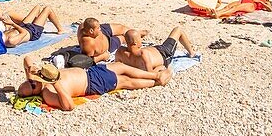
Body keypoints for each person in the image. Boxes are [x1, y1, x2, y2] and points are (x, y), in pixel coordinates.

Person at [17, 56, 169, 111]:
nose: (32, 82)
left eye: (28, 80)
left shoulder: (38, 78)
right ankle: (155, 82)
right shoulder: (48, 92)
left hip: (91, 71)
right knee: (125, 81)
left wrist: (32, 69)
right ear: (34, 93)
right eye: (31, 86)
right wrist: (56, 83)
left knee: (121, 66)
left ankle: (155, 74)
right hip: (92, 83)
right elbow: (69, 106)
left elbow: (27, 59)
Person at [0, 5, 64, 48]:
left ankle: (40, 20)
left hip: (23, 26)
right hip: (32, 32)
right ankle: (60, 29)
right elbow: (24, 33)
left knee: (37, 7)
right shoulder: (11, 41)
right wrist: (12, 24)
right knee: (47, 9)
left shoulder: (2, 35)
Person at [114, 27, 195, 71]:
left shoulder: (120, 51)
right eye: (140, 38)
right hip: (164, 53)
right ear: (135, 43)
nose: (141, 39)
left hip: (156, 50)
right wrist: (159, 68)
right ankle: (192, 53)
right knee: (178, 30)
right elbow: (151, 74)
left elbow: (117, 67)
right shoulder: (142, 54)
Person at [78, 17, 144, 63]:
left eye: (99, 27)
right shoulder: (87, 43)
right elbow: (88, 61)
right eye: (98, 28)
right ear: (91, 31)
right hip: (110, 44)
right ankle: (136, 36)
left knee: (122, 28)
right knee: (123, 38)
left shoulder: (93, 30)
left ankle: (138, 33)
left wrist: (97, 29)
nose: (99, 29)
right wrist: (103, 56)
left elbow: (89, 24)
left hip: (103, 33)